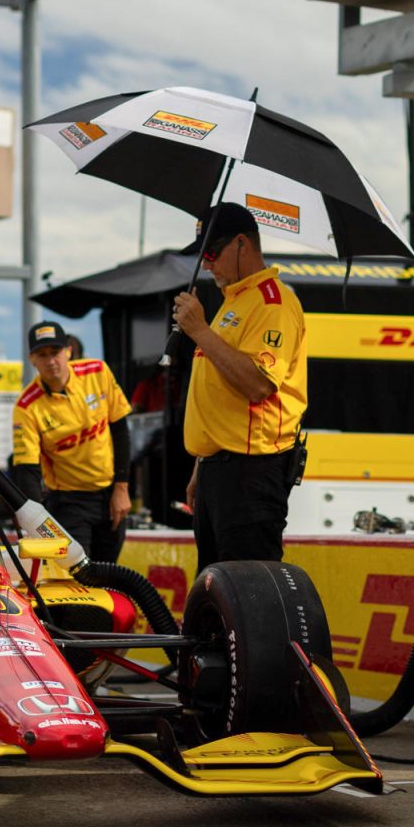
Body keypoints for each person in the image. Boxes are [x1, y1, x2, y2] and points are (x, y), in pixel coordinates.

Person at [171, 202, 307, 569]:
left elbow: (258, 384)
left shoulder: (272, 302)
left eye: (211, 253)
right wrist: (205, 461)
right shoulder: (236, 301)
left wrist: (198, 330)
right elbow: (220, 392)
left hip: (251, 474)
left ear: (242, 244)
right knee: (216, 595)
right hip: (222, 470)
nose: (208, 264)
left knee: (248, 597)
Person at [11, 321, 133, 562]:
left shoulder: (98, 372)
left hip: (110, 494)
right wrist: (36, 524)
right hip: (69, 503)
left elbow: (120, 431)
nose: (50, 361)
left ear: (68, 351)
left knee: (109, 575)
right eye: (42, 355)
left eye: (55, 352)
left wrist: (122, 488)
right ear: (32, 360)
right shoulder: (26, 406)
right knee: (78, 577)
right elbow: (27, 471)